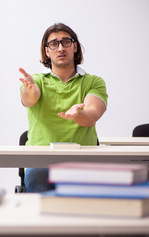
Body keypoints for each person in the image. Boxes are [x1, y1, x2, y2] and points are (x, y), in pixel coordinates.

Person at [19, 23, 108, 192]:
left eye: (66, 42)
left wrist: (77, 114)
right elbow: (30, 98)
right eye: (54, 44)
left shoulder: (93, 82)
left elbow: (91, 115)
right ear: (47, 51)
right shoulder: (36, 81)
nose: (60, 48)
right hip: (40, 162)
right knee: (37, 179)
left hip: (82, 162)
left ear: (75, 46)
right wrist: (29, 90)